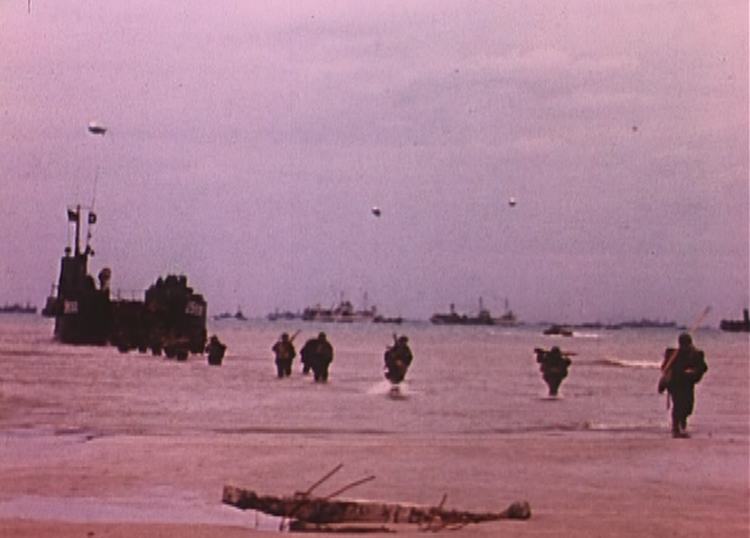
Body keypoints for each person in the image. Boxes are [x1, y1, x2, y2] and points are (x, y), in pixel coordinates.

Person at [658, 333, 708, 438]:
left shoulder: (696, 354)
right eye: (682, 344)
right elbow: (665, 368)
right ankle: (676, 427)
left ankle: (682, 422)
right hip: (675, 383)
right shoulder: (672, 354)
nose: (684, 347)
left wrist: (693, 371)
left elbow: (703, 368)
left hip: (687, 383)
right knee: (678, 405)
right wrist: (665, 379)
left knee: (688, 407)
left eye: (686, 344)